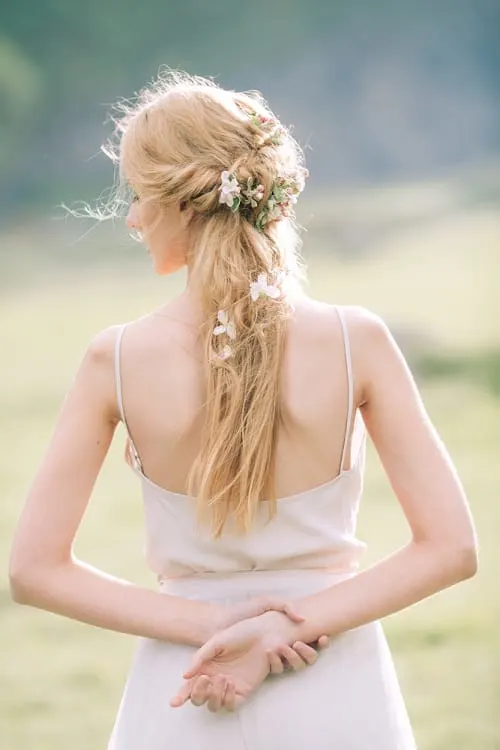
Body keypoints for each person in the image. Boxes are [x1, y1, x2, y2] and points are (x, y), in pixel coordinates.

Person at [9, 71, 478, 749]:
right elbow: (451, 549)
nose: (134, 218)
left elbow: (33, 571)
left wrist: (209, 624)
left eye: (139, 196)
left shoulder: (111, 361)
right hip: (334, 677)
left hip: (186, 682)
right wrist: (289, 625)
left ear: (182, 202)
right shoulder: (358, 341)